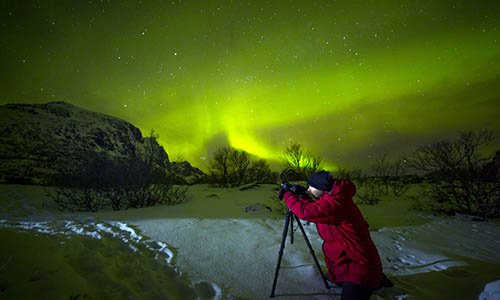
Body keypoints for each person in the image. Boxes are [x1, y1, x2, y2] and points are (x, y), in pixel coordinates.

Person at [279, 170, 389, 300]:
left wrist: (288, 195)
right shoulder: (335, 196)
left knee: (360, 284)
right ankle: (373, 280)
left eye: (311, 187)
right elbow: (319, 207)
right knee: (339, 276)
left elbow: (307, 212)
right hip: (347, 258)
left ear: (322, 188)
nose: (308, 190)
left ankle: (373, 280)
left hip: (360, 264)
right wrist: (303, 196)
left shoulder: (337, 204)